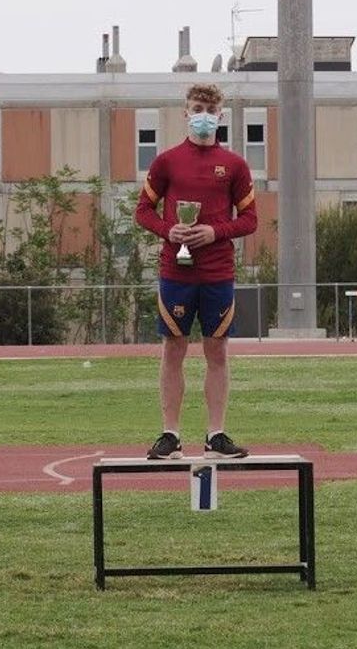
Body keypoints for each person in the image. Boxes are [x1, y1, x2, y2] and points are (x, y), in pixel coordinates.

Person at [135, 84, 257, 460]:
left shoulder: (235, 165)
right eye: (197, 108)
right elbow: (143, 211)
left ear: (220, 116)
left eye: (210, 109)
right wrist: (168, 230)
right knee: (173, 348)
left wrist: (214, 232)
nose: (204, 115)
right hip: (176, 271)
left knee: (216, 350)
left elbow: (250, 219)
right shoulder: (166, 162)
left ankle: (215, 435)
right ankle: (170, 435)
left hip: (218, 272)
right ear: (186, 113)